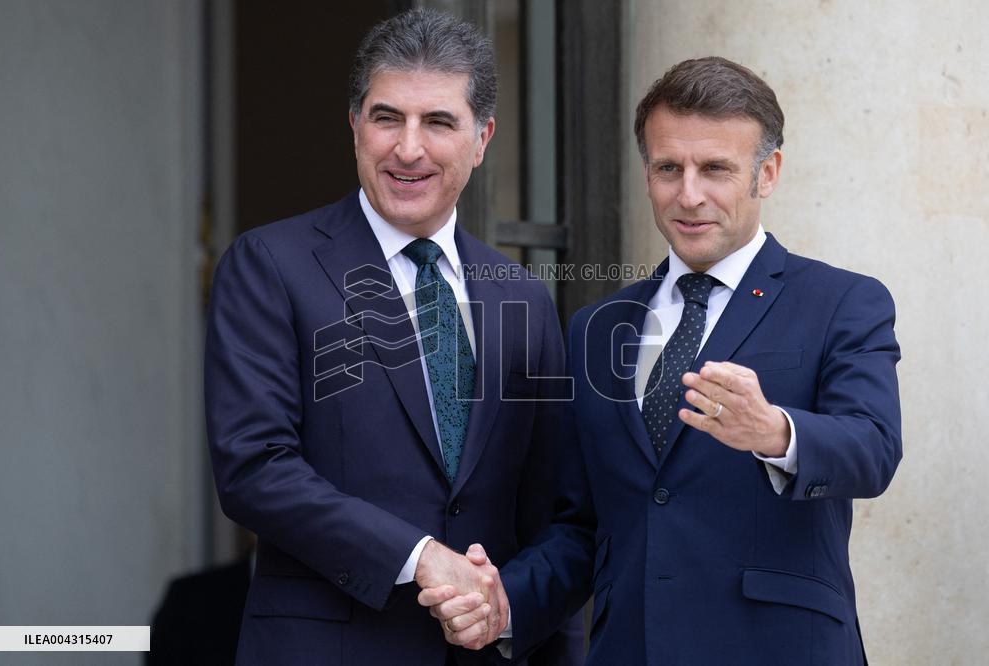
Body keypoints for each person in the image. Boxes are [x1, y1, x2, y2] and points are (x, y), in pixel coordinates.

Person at [424, 56, 902, 665]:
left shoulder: (843, 301)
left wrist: (775, 431)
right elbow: (582, 525)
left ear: (768, 173)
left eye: (716, 169)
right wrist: (507, 602)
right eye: (668, 168)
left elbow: (874, 448)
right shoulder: (596, 329)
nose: (689, 194)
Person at [205, 9, 582, 665]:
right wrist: (419, 558)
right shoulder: (271, 264)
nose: (409, 148)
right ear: (355, 125)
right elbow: (254, 468)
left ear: (482, 137)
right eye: (387, 118)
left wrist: (509, 608)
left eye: (438, 122)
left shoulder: (520, 295)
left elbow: (552, 516)